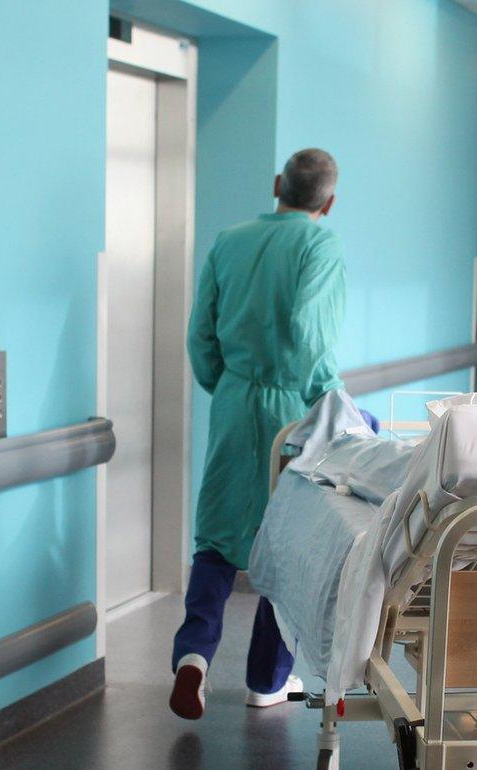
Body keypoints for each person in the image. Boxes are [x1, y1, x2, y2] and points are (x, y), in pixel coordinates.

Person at [170, 148, 347, 721]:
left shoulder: (229, 240)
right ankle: (266, 681)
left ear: (277, 185)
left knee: (218, 530)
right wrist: (326, 401)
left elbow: (201, 336)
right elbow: (309, 332)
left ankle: (193, 658)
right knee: (283, 538)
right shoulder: (320, 244)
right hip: (288, 405)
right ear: (330, 202)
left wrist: (227, 385)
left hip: (232, 397)